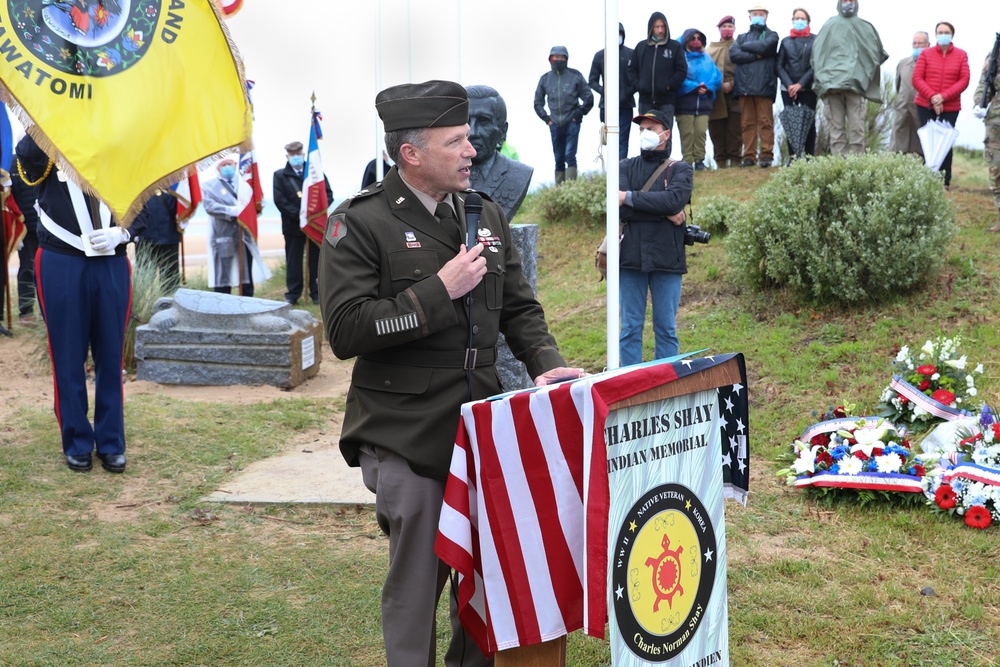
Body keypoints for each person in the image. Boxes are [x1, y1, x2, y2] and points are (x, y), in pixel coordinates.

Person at [319, 80, 582, 667]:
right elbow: (346, 332)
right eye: (456, 140)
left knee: (489, 581)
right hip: (404, 432)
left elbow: (518, 306)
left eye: (469, 138)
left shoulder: (482, 212)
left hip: (482, 430)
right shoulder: (359, 223)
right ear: (412, 154)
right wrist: (438, 291)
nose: (472, 149)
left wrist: (545, 365)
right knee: (417, 589)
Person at [16, 133, 145, 473]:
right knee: (67, 355)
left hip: (112, 263)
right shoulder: (46, 139)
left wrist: (123, 233)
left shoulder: (119, 143)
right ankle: (76, 441)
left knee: (110, 355)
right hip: (62, 261)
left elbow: (141, 203)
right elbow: (26, 156)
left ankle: (111, 441)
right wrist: (45, 116)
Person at [618, 110, 694, 365]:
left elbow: (674, 199)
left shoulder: (681, 169)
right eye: (641, 129)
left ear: (666, 134)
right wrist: (665, 213)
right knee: (630, 329)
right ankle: (629, 386)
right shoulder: (625, 166)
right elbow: (619, 207)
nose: (645, 133)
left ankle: (667, 388)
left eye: (651, 128)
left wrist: (629, 197)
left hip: (667, 260)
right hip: (630, 259)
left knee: (666, 330)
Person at [810, 0, 888, 156]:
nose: (848, 3)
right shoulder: (829, 26)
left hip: (855, 88)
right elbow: (817, 57)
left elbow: (876, 53)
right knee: (837, 130)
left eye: (851, 0)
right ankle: (841, 168)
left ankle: (856, 168)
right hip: (832, 88)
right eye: (845, 0)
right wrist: (825, 80)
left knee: (856, 129)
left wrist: (860, 74)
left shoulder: (865, 27)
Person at [273, 140, 333, 305]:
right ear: (287, 156)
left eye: (298, 154)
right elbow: (280, 201)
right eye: (292, 155)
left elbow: (327, 195)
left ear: (303, 154)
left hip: (314, 225)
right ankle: (293, 294)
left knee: (316, 260)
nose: (296, 157)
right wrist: (300, 217)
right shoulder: (279, 175)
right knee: (293, 261)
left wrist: (312, 216)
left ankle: (316, 293)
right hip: (293, 226)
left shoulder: (315, 173)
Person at [202, 156, 271, 297]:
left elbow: (256, 202)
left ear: (235, 165)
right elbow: (210, 206)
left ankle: (247, 302)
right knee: (223, 274)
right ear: (217, 168)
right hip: (222, 236)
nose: (227, 167)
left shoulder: (245, 184)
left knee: (246, 272)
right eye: (224, 164)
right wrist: (234, 211)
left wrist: (252, 210)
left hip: (244, 234)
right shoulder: (208, 186)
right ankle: (222, 304)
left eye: (230, 164)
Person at [913, 21, 970, 189]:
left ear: (952, 34)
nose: (943, 34)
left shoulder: (961, 55)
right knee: (927, 141)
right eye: (940, 32)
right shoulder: (926, 54)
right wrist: (932, 97)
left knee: (945, 142)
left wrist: (943, 97)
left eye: (946, 31)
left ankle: (944, 181)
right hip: (925, 104)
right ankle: (927, 178)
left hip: (950, 106)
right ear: (935, 34)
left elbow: (964, 80)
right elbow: (917, 78)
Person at [466, 84, 534, 220]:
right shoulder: (440, 174)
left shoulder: (519, 175)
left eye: (483, 121)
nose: (472, 132)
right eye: (465, 121)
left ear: (503, 131)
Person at [533, 45, 594, 184]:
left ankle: (571, 187)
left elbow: (589, 97)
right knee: (558, 158)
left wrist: (578, 115)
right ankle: (560, 190)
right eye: (556, 57)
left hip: (572, 122)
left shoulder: (576, 75)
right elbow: (537, 102)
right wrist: (547, 119)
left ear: (566, 59)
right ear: (550, 59)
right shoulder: (545, 79)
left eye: (562, 57)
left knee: (570, 155)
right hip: (554, 124)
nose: (559, 59)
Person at [730, 5, 780, 167]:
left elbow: (765, 47)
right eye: (755, 14)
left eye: (761, 14)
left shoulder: (772, 35)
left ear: (766, 16)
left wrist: (746, 49)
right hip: (744, 87)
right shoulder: (741, 37)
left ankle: (766, 155)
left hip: (764, 85)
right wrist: (756, 54)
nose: (758, 16)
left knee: (766, 122)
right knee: (747, 123)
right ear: (749, 17)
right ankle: (749, 156)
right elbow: (734, 54)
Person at [676, 28, 722, 170]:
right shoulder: (680, 58)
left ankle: (700, 161)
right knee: (687, 133)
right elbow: (678, 78)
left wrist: (707, 88)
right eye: (692, 38)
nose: (696, 41)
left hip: (703, 103)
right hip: (685, 104)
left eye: (698, 38)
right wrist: (694, 87)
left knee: (701, 133)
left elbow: (716, 77)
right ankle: (688, 161)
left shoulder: (707, 59)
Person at [589, 22, 636, 160]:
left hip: (626, 105)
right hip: (606, 106)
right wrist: (605, 91)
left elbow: (637, 80)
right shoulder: (600, 56)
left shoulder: (632, 55)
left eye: (619, 34)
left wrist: (627, 93)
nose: (617, 37)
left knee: (623, 140)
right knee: (610, 141)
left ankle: (621, 169)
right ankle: (611, 172)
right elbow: (592, 80)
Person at [777, 7, 818, 160]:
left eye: (803, 19)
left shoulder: (815, 40)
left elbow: (815, 65)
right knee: (791, 122)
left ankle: (809, 156)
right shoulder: (786, 41)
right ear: (792, 21)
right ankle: (793, 156)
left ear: (808, 21)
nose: (799, 21)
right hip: (787, 89)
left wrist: (800, 84)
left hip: (808, 88)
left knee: (809, 122)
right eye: (796, 18)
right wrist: (789, 85)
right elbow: (779, 65)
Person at [708, 16, 743, 168]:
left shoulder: (740, 47)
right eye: (724, 26)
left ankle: (735, 162)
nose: (727, 29)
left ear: (734, 28)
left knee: (735, 131)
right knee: (717, 131)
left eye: (730, 26)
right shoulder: (710, 50)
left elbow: (745, 72)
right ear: (719, 29)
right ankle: (720, 163)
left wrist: (733, 84)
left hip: (735, 96)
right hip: (716, 98)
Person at [889, 31, 931, 157]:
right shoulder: (903, 63)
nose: (917, 46)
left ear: (928, 45)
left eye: (920, 43)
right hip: (902, 108)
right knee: (898, 141)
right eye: (915, 43)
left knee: (922, 145)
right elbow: (898, 85)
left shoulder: (931, 64)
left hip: (921, 109)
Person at [973, 45, 1000, 231]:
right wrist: (979, 102)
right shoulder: (996, 53)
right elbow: (985, 80)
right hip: (996, 119)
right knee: (996, 167)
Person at [134, 191, 181, 292]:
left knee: (170, 284)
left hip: (167, 238)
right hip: (146, 239)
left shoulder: (175, 185)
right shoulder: (172, 185)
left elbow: (182, 208)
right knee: (143, 284)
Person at [11, 163, 40, 323]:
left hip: (50, 229)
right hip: (26, 229)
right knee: (27, 269)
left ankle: (48, 312)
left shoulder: (47, 162)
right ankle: (26, 310)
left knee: (50, 271)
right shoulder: (13, 166)